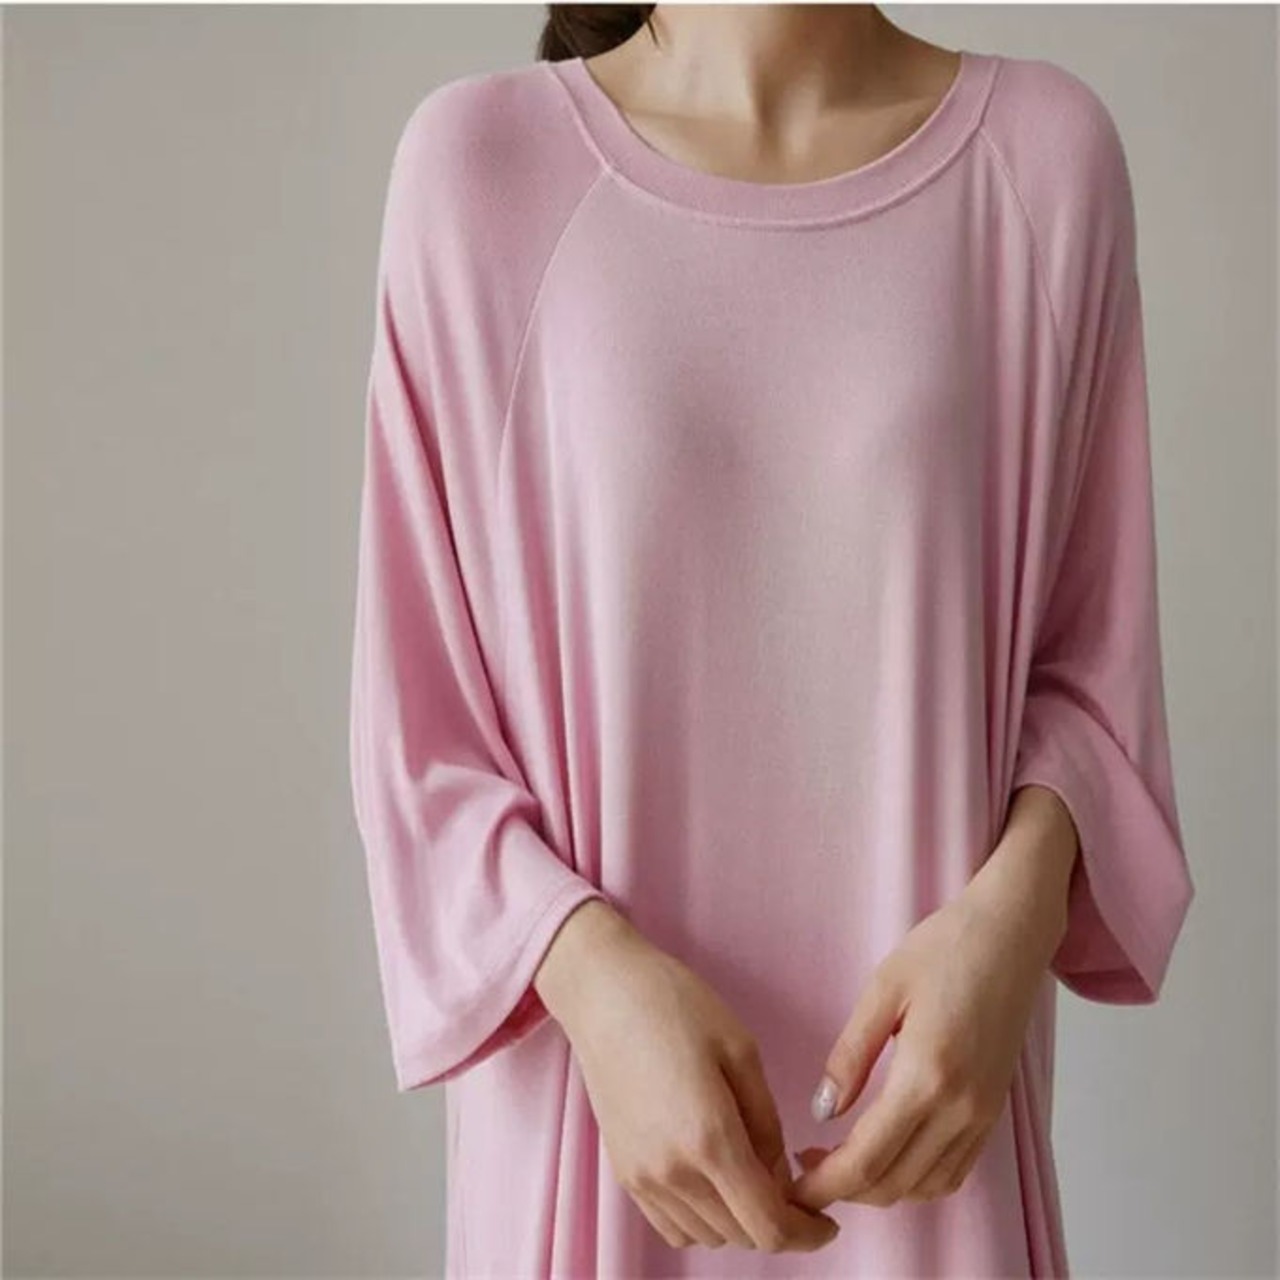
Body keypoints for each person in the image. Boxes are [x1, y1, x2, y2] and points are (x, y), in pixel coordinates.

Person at [347, 5, 1196, 1275]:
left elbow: (1093, 684)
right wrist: (590, 976)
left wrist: (1011, 921)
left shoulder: (1042, 161)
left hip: (934, 1164)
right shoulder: (478, 169)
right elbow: (418, 741)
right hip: (594, 1158)